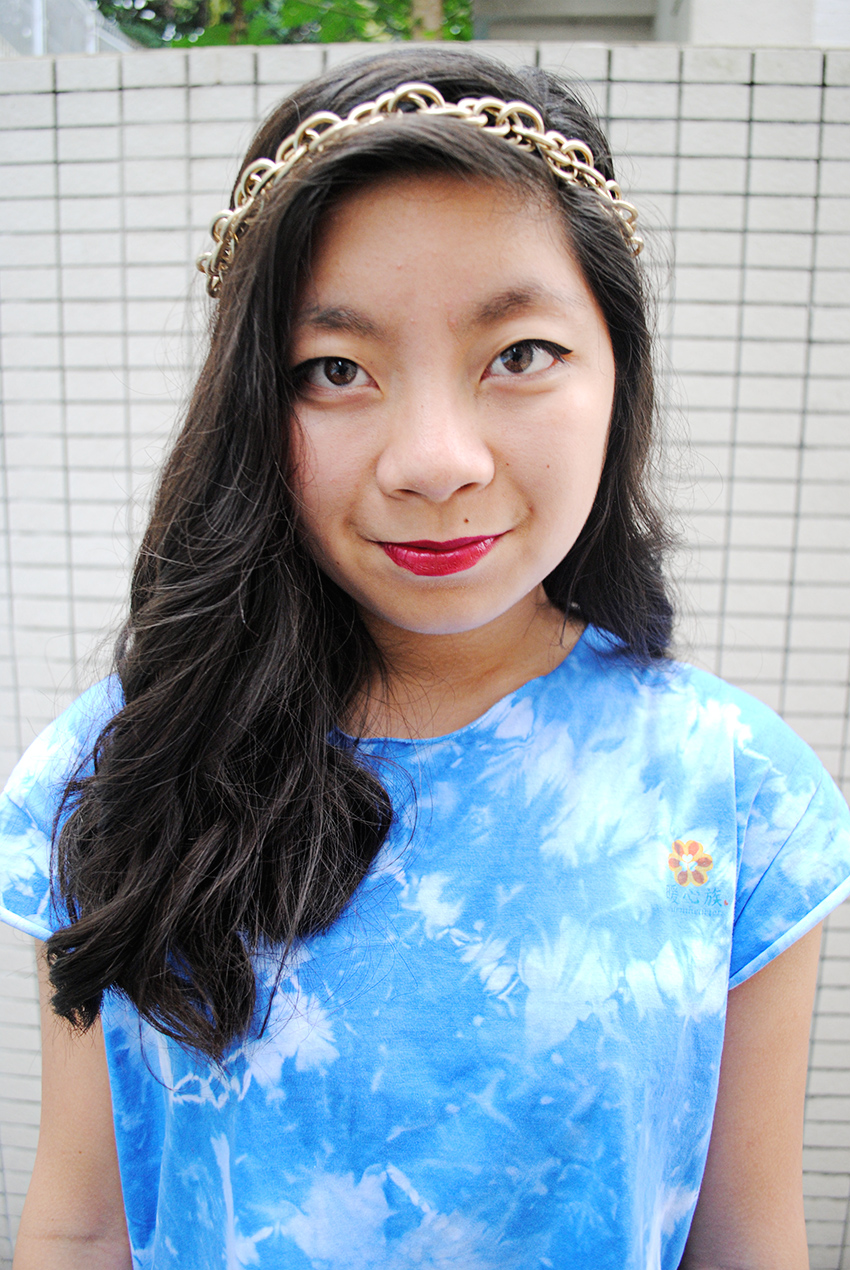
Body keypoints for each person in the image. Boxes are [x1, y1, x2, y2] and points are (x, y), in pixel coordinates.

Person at [1, 47, 849, 1270]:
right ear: (253, 407)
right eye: (335, 370)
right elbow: (84, 1225)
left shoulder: (735, 789)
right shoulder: (119, 764)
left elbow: (745, 1240)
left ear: (618, 370)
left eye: (519, 353)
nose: (435, 461)